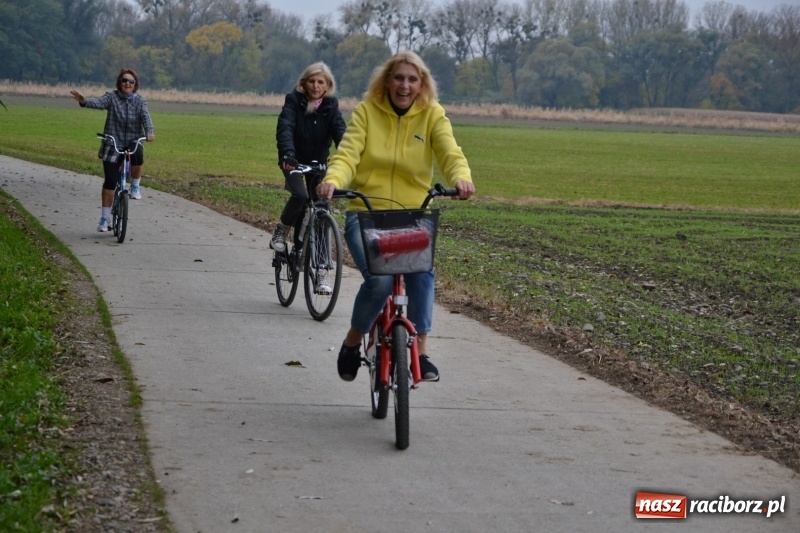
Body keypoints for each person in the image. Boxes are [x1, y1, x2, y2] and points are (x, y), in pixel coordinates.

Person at [317, 50, 475, 383]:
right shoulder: (367, 112)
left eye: (412, 79)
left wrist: (461, 178)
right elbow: (347, 154)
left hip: (412, 218)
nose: (405, 86)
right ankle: (352, 342)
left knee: (422, 273)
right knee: (379, 282)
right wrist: (333, 180)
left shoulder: (432, 115)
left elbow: (450, 152)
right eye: (399, 78)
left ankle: (421, 350)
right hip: (367, 216)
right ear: (387, 81)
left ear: (422, 84)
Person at [272, 62, 347, 294]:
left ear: (327, 85)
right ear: (304, 83)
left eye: (320, 82)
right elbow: (285, 127)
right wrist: (288, 154)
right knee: (300, 195)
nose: (315, 86)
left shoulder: (331, 106)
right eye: (312, 81)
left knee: (321, 208)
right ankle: (282, 230)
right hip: (293, 161)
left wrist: (349, 156)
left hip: (318, 164)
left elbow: (341, 132)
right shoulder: (294, 101)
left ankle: (321, 272)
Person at [70, 69, 155, 232]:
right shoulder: (112, 97)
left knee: (138, 153)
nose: (127, 84)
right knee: (110, 181)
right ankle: (105, 218)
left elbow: (146, 118)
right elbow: (98, 103)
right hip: (113, 141)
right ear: (119, 82)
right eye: (124, 80)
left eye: (131, 81)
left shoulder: (140, 101)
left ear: (135, 84)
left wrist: (150, 132)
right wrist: (84, 101)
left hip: (132, 140)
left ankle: (135, 186)